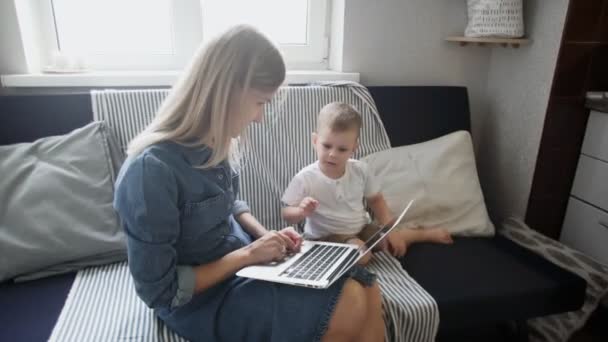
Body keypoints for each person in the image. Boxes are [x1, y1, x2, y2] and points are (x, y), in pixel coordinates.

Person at [113, 26, 384, 342]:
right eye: (259, 102)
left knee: (367, 285)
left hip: (243, 267)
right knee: (348, 302)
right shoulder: (150, 172)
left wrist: (263, 234)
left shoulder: (216, 143)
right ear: (225, 93)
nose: (258, 117)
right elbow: (161, 292)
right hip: (202, 299)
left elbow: (230, 205)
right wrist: (249, 255)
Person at [282, 102, 453, 264]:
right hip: (326, 237)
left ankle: (420, 234)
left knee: (389, 243)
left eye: (342, 149)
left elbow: (377, 201)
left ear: (354, 147)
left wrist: (390, 230)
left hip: (361, 228)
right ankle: (360, 249)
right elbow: (286, 212)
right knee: (362, 256)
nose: (332, 154)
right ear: (315, 141)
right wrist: (301, 211)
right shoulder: (305, 177)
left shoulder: (361, 170)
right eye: (326, 146)